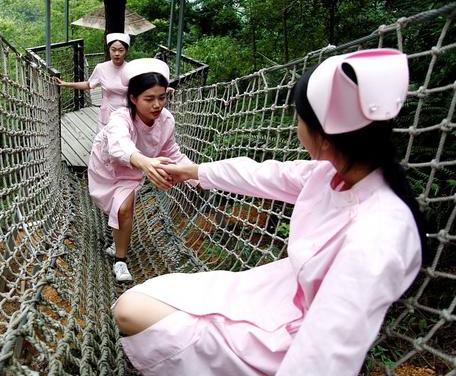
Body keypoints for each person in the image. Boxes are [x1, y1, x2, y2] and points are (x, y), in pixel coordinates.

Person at [112, 48, 425, 375]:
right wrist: (192, 172)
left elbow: (325, 350)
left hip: (288, 339)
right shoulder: (332, 173)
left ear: (324, 137)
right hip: (273, 293)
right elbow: (261, 174)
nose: (296, 126)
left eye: (299, 118)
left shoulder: (379, 233)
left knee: (131, 311)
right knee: (134, 303)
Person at [88, 58, 195, 282]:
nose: (157, 105)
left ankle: (120, 259)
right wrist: (144, 162)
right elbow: (118, 144)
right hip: (106, 166)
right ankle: (118, 238)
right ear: (133, 98)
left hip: (131, 170)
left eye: (162, 97)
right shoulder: (120, 117)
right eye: (149, 99)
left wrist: (199, 175)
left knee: (124, 207)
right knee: (114, 207)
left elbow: (171, 151)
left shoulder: (166, 120)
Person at [55, 33, 130, 131]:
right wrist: (65, 84)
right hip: (107, 116)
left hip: (126, 116)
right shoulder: (101, 68)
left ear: (126, 51)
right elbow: (89, 84)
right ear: (109, 50)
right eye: (113, 49)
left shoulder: (131, 69)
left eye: (121, 50)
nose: (117, 53)